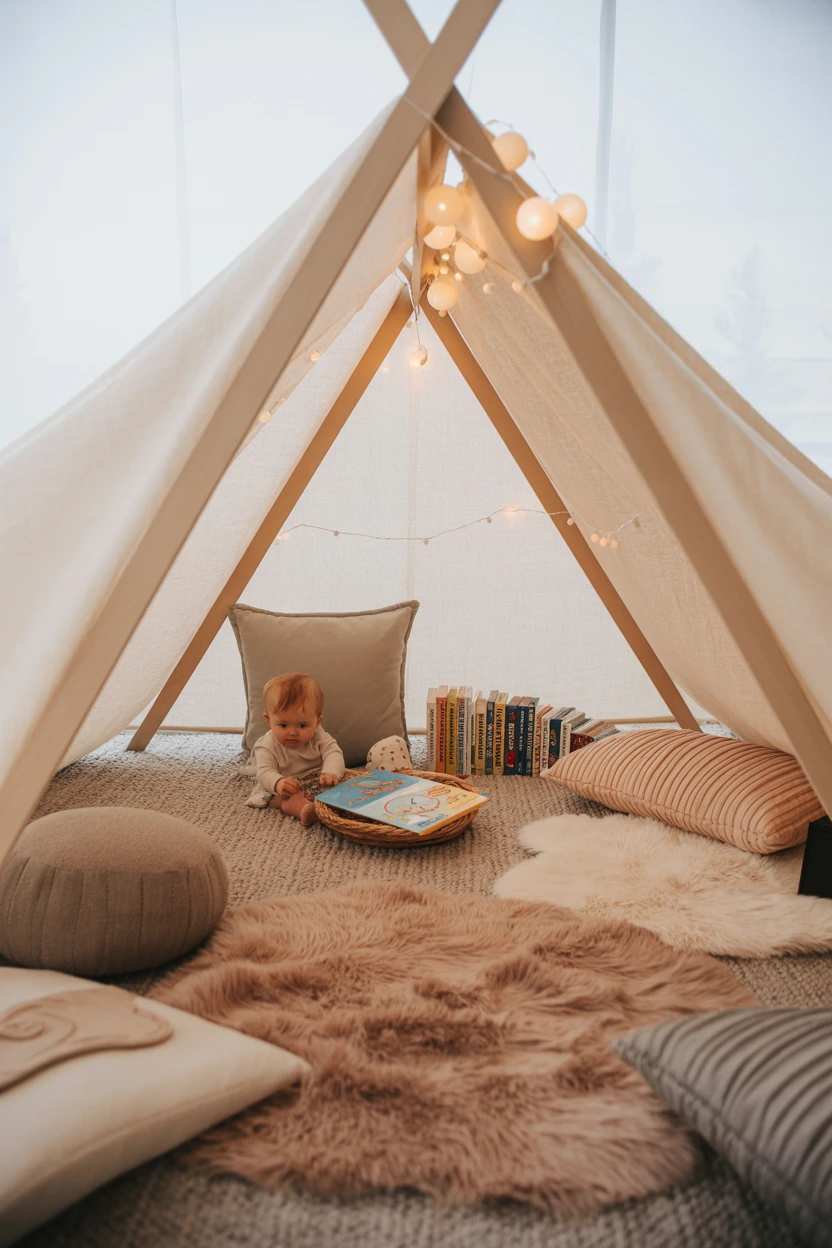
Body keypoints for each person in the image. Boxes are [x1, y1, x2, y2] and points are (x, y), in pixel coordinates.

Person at [246, 672, 345, 825]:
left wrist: (331, 771)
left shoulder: (318, 735)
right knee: (289, 799)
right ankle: (305, 810)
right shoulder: (266, 745)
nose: (292, 732)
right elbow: (265, 772)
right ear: (269, 720)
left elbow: (333, 751)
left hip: (317, 780)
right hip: (287, 787)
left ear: (317, 722)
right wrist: (279, 783)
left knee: (344, 784)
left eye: (303, 725)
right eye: (283, 725)